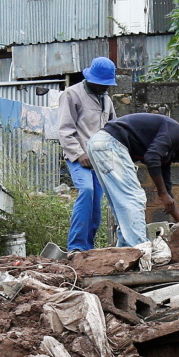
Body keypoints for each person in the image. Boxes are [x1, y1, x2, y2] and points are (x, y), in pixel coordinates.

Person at [86, 111, 179, 247]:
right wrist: (162, 193)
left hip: (99, 144)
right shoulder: (176, 131)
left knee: (121, 204)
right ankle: (140, 249)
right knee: (134, 198)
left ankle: (126, 251)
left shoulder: (167, 152)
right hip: (110, 143)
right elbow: (151, 157)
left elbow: (168, 194)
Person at [56, 56, 118, 251]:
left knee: (97, 201)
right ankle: (76, 247)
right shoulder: (71, 95)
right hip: (78, 158)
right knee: (87, 191)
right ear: (90, 79)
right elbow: (64, 129)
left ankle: (87, 249)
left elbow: (113, 128)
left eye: (107, 85)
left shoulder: (106, 100)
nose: (104, 88)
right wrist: (78, 153)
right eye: (101, 84)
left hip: (99, 160)